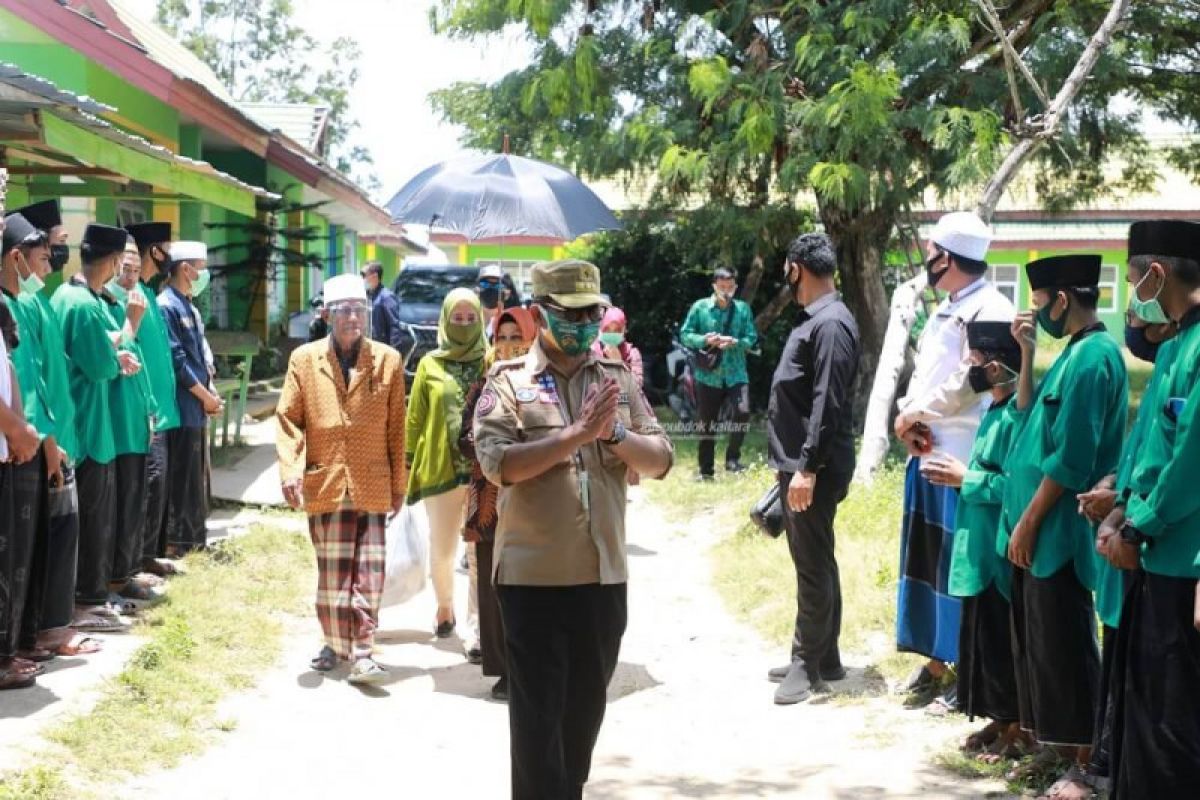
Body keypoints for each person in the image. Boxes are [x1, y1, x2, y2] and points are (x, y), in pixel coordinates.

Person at [473, 259, 674, 799]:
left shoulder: (617, 378)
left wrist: (611, 435)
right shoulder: (508, 382)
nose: (585, 324)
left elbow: (658, 457)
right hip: (532, 579)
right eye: (572, 314)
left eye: (593, 313)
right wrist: (574, 433)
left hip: (602, 576)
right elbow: (498, 464)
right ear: (540, 315)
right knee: (538, 731)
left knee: (582, 721)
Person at [1000, 254, 1127, 782]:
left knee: (1068, 644)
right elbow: (1030, 415)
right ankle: (1056, 745)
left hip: (1059, 533)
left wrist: (1029, 521)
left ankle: (1084, 762)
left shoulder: (1096, 357)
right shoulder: (1072, 353)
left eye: (1039, 302)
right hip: (1037, 530)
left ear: (1063, 299)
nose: (1037, 314)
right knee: (1043, 646)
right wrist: (1027, 355)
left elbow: (1073, 459)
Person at [892, 211, 1014, 704]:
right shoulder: (949, 306)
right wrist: (909, 418)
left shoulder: (992, 309)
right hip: (926, 445)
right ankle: (935, 660)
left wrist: (911, 414)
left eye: (933, 253)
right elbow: (926, 376)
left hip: (962, 453)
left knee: (958, 563)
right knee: (926, 558)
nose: (928, 261)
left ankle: (966, 668)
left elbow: (969, 383)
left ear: (949, 257)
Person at [1101, 220, 1200, 798]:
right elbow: (1150, 447)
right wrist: (1120, 511)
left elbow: (1190, 460)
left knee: (1173, 729)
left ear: (1157, 275)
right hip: (1151, 558)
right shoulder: (1176, 346)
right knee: (1144, 720)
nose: (1132, 295)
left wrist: (1139, 524)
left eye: (1134, 280)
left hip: (1179, 566)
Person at [276, 273, 406, 685]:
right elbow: (288, 419)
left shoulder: (387, 360)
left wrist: (400, 484)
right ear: (329, 315)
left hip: (373, 480)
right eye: (345, 310)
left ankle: (363, 650)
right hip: (326, 479)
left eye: (359, 310)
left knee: (370, 571)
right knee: (333, 574)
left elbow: (397, 428)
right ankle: (335, 642)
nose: (353, 317)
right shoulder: (304, 360)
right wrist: (291, 469)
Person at [765, 233, 860, 705]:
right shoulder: (817, 319)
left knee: (812, 563)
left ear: (796, 268)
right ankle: (827, 656)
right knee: (816, 556)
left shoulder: (831, 324)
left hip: (814, 467)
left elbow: (828, 400)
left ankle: (807, 665)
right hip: (802, 463)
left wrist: (807, 468)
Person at [923, 321, 1024, 760]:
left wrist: (967, 479)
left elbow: (1017, 486)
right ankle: (998, 718)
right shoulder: (991, 413)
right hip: (975, 550)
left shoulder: (1019, 417)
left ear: (997, 367)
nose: (969, 369)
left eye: (975, 362)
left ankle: (1019, 728)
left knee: (1005, 641)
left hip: (997, 552)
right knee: (982, 639)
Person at [12, 201, 102, 648]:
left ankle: (53, 626)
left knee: (60, 534)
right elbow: (28, 382)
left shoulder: (38, 299)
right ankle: (46, 630)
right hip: (39, 439)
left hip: (56, 435)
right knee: (44, 541)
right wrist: (45, 439)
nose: (59, 255)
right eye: (54, 246)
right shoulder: (21, 304)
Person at [51, 223, 142, 621]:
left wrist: (111, 354)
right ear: (109, 262)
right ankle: (89, 597)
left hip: (74, 421)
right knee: (93, 518)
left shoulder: (63, 295)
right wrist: (127, 331)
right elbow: (99, 365)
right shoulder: (87, 306)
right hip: (89, 426)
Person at [459, 306, 537, 701]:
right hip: (489, 500)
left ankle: (533, 665)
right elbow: (462, 438)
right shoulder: (484, 383)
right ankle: (504, 670)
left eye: (516, 337)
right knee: (492, 586)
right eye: (501, 338)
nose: (508, 345)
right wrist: (491, 442)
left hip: (534, 499)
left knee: (528, 584)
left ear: (531, 337)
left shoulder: (545, 382)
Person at [406, 288, 487, 637]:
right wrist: (407, 464)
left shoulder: (492, 360)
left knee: (479, 554)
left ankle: (477, 627)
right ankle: (445, 606)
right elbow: (415, 418)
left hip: (484, 474)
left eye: (472, 319)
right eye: (458, 318)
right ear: (445, 320)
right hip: (441, 471)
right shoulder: (430, 364)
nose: (465, 325)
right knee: (442, 552)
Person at [104, 237, 160, 610]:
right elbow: (110, 353)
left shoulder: (138, 304)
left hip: (137, 422)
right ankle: (116, 576)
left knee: (135, 499)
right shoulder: (107, 308)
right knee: (120, 502)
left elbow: (140, 365)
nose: (130, 279)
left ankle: (128, 568)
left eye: (137, 272)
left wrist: (152, 408)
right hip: (115, 425)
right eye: (125, 270)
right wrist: (130, 322)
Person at [125, 222, 182, 578]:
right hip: (146, 411)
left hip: (161, 409)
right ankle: (139, 559)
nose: (167, 255)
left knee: (158, 485)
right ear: (152, 250)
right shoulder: (132, 295)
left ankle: (149, 554)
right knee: (150, 483)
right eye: (163, 248)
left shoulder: (146, 292)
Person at [159, 241, 220, 555]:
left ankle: (195, 540)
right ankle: (178, 542)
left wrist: (211, 394)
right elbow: (177, 361)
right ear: (185, 269)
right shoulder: (166, 305)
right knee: (182, 478)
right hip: (182, 407)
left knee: (198, 477)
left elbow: (201, 357)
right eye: (201, 266)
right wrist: (204, 396)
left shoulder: (189, 306)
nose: (204, 273)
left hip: (197, 405)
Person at [680, 266, 757, 478]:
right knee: (707, 422)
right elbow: (685, 334)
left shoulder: (743, 309)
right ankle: (706, 470)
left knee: (742, 411)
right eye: (722, 287)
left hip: (736, 372)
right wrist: (705, 339)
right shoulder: (700, 307)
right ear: (714, 286)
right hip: (708, 374)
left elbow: (751, 337)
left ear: (735, 287)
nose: (726, 291)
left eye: (730, 287)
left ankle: (733, 459)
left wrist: (736, 342)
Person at [593, 306, 643, 387]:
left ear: (624, 330)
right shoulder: (592, 351)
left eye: (617, 330)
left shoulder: (632, 354)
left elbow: (637, 386)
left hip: (625, 398)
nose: (612, 334)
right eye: (607, 329)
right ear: (601, 329)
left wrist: (619, 363)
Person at [362, 261, 404, 351]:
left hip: (381, 349)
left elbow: (394, 326)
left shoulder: (386, 297)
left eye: (364, 274)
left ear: (375, 276)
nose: (363, 278)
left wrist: (393, 352)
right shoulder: (366, 296)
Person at [478, 263, 504, 339]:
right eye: (485, 284)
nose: (491, 289)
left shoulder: (510, 323)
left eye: (497, 286)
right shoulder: (468, 320)